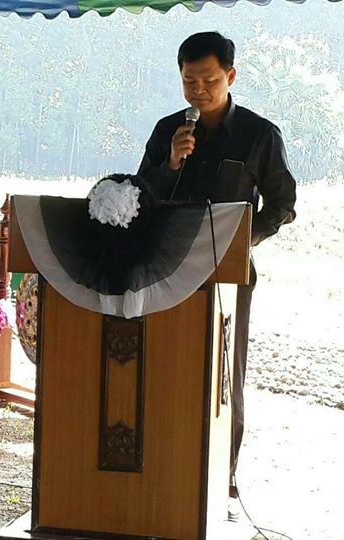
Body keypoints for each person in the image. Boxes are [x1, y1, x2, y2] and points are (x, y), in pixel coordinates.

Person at [136, 31, 296, 517]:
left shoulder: (259, 134)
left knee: (225, 373)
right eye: (189, 81)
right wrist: (170, 161)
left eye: (209, 80)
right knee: (166, 366)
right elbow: (139, 194)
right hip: (166, 267)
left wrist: (239, 241)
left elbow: (283, 205)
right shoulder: (169, 129)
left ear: (231, 76)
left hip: (228, 272)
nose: (199, 90)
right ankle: (165, 468)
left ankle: (221, 477)